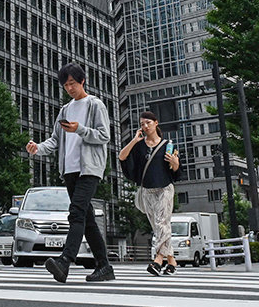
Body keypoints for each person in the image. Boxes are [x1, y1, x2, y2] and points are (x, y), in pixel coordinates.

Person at [26, 63, 115, 283]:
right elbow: (55, 140)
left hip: (89, 169)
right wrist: (38, 148)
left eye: (72, 83)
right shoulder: (65, 110)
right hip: (70, 170)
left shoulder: (95, 105)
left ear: (82, 81)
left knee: (76, 213)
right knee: (88, 220)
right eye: (65, 85)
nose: (69, 88)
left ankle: (64, 262)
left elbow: (104, 136)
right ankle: (104, 267)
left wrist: (80, 129)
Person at [119, 111, 180, 276]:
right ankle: (172, 261)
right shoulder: (139, 146)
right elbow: (122, 157)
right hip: (147, 191)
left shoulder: (168, 144)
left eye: (148, 122)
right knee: (159, 227)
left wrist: (175, 163)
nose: (145, 126)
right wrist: (134, 140)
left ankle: (158, 260)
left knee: (161, 223)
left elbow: (175, 172)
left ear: (156, 123)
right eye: (142, 124)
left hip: (165, 188)